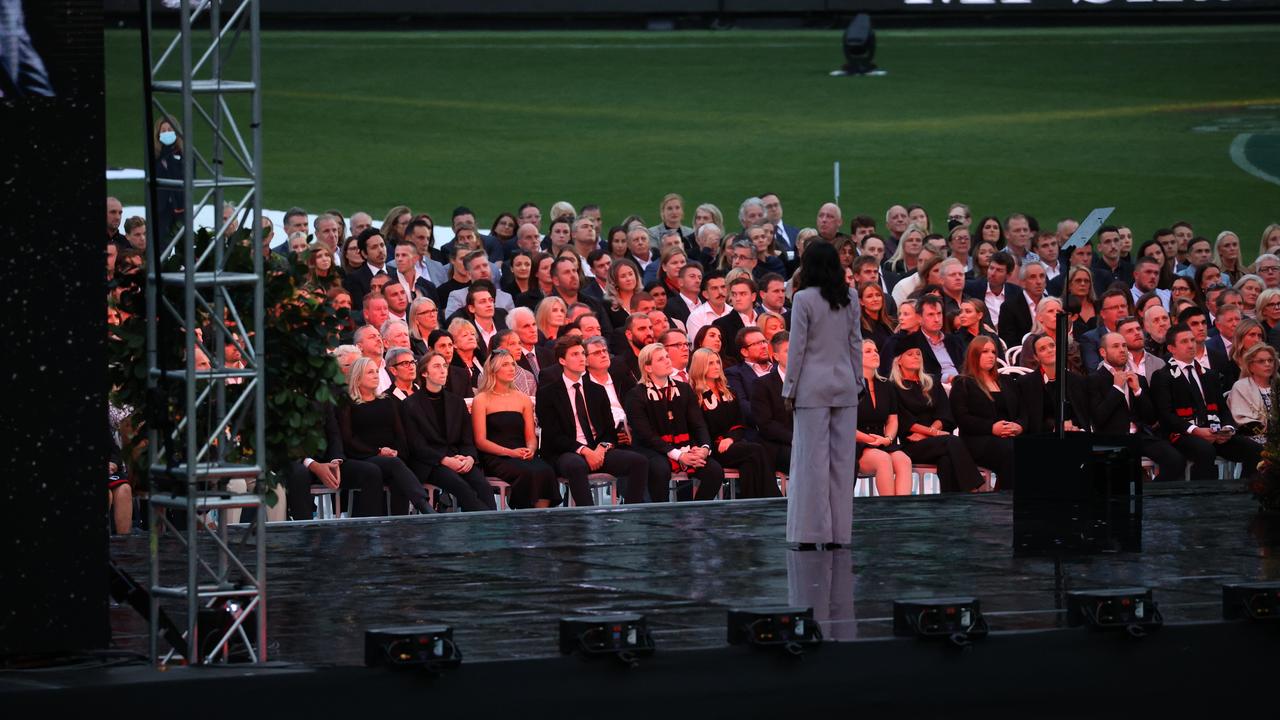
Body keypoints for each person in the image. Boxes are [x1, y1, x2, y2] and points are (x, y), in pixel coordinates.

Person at [783, 241, 863, 549]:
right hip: (844, 386)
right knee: (842, 465)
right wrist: (857, 381)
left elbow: (797, 349)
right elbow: (855, 343)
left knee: (810, 464)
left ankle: (810, 534)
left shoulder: (803, 299)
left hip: (811, 389)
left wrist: (789, 388)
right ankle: (838, 536)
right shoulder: (850, 297)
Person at [536, 336, 650, 506]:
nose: (582, 358)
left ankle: (631, 513)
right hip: (567, 451)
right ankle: (588, 517)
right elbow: (553, 436)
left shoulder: (597, 390)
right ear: (562, 360)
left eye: (583, 353)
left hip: (598, 450)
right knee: (576, 466)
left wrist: (601, 450)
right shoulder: (548, 393)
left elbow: (609, 430)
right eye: (575, 354)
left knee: (639, 461)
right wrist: (585, 451)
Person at [1151, 323, 1262, 481]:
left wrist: (1227, 428)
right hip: (1182, 434)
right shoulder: (1163, 376)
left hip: (1214, 432)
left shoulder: (1209, 374)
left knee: (1255, 450)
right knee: (1205, 450)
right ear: (1171, 348)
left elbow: (1223, 409)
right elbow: (1166, 415)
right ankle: (1203, 500)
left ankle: (1244, 494)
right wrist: (1196, 430)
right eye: (1184, 342)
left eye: (1192, 340)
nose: (1191, 345)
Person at [624, 343, 725, 503]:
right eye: (660, 359)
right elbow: (646, 435)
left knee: (714, 470)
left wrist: (705, 449)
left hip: (684, 445)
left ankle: (695, 515)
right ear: (648, 368)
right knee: (660, 469)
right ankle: (662, 519)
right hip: (651, 449)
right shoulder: (635, 395)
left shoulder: (684, 389)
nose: (667, 361)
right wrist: (678, 455)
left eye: (667, 357)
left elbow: (698, 424)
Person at [400, 351, 496, 512]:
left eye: (444, 366)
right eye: (436, 366)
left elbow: (467, 439)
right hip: (429, 463)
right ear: (424, 373)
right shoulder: (410, 405)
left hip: (458, 457)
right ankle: (493, 527)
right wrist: (444, 460)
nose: (443, 370)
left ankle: (490, 528)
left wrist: (470, 458)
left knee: (483, 486)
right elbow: (416, 445)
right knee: (462, 488)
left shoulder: (456, 402)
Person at [336, 357, 433, 515]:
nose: (376, 375)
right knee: (391, 465)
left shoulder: (387, 401)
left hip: (388, 456)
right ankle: (422, 505)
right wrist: (378, 451)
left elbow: (399, 434)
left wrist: (395, 451)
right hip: (361, 456)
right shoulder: (347, 404)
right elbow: (348, 438)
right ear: (357, 378)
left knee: (396, 468)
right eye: (370, 372)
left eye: (376, 371)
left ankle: (398, 526)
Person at [1090, 332, 1186, 482]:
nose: (1122, 350)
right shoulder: (1093, 380)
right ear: (1103, 352)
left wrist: (1138, 391)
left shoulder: (1138, 379)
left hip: (1140, 437)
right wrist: (1117, 388)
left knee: (1176, 460)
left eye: (1124, 346)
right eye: (1115, 346)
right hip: (1112, 439)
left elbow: (1151, 417)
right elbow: (1098, 418)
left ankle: (1151, 495)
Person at [889, 341, 984, 492]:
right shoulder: (893, 387)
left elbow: (946, 414)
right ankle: (974, 490)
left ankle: (949, 504)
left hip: (933, 439)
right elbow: (904, 421)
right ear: (899, 360)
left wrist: (930, 433)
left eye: (918, 354)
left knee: (946, 461)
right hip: (912, 445)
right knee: (952, 441)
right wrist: (935, 434)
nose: (916, 357)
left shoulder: (932, 381)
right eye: (910, 354)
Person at [472, 350, 561, 508]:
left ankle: (540, 518)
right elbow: (480, 441)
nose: (512, 368)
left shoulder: (523, 399)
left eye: (513, 364)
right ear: (493, 370)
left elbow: (530, 436)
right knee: (526, 473)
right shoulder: (481, 399)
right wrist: (510, 452)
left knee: (546, 470)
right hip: (495, 455)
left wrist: (531, 449)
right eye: (505, 365)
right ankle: (523, 518)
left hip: (522, 453)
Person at [689, 349, 781, 499]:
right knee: (756, 450)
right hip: (712, 448)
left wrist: (730, 438)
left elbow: (739, 422)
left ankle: (750, 508)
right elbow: (698, 428)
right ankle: (773, 499)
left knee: (749, 465)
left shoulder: (730, 392)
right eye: (710, 363)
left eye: (717, 362)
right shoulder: (693, 395)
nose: (716, 366)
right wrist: (719, 442)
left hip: (732, 443)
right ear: (700, 366)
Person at [948, 337, 1021, 490]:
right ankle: (1007, 498)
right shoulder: (963, 383)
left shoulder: (1007, 381)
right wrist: (991, 428)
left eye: (993, 352)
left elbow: (1022, 410)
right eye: (985, 352)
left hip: (1009, 436)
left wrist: (1018, 426)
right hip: (977, 440)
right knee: (1011, 450)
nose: (991, 356)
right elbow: (962, 419)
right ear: (974, 355)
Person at [855, 339, 913, 497]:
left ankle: (901, 510)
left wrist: (887, 438)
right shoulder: (848, 385)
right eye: (868, 351)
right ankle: (889, 511)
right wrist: (870, 440)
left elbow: (892, 419)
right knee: (883, 460)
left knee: (903, 460)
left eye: (875, 350)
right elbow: (843, 425)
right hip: (857, 443)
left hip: (882, 440)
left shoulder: (886, 385)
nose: (874, 354)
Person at [1227, 343, 1277, 445]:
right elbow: (1243, 422)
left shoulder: (1277, 384)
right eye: (1261, 361)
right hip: (1253, 438)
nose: (1267, 364)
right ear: (1250, 366)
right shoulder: (1241, 387)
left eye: (1270, 360)